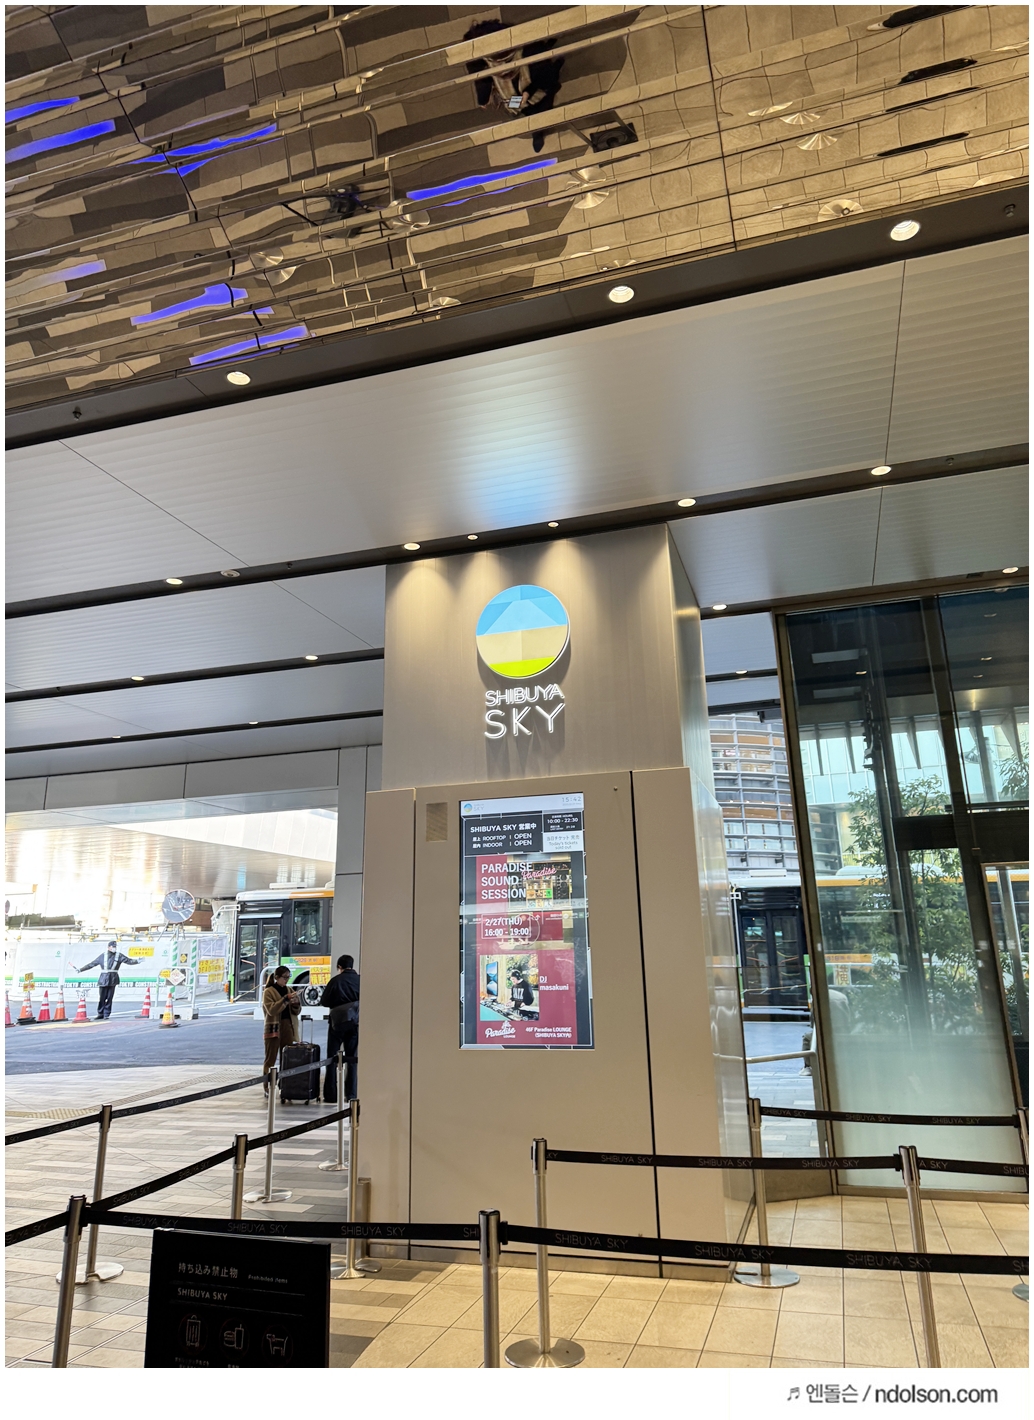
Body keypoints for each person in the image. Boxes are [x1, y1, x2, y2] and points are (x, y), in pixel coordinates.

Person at [464, 19, 564, 153]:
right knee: (526, 110)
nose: (500, 64)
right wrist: (483, 97)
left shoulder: (528, 47)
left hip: (537, 87)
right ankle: (537, 130)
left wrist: (529, 91)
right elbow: (480, 77)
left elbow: (544, 76)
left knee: (544, 103)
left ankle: (538, 131)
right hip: (513, 95)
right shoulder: (482, 57)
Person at [320, 954, 360, 1103]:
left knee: (332, 1058)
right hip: (354, 1023)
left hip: (336, 1023)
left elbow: (324, 1001)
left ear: (339, 967)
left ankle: (331, 1094)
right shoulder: (360, 980)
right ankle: (351, 1094)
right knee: (352, 1059)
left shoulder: (335, 981)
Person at [262, 965, 300, 1096]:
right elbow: (271, 1010)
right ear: (276, 977)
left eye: (288, 977)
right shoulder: (269, 991)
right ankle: (267, 1086)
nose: (286, 980)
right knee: (270, 1059)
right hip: (273, 1028)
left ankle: (284, 1085)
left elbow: (296, 1011)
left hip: (288, 1026)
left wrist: (295, 1003)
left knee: (287, 1058)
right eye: (284, 977)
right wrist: (285, 999)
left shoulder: (289, 989)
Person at [75, 940, 135, 1019]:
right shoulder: (103, 956)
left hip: (113, 979)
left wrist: (137, 961)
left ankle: (106, 1014)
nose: (114, 948)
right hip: (103, 979)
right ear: (108, 947)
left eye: (115, 947)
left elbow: (129, 961)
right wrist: (81, 969)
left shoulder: (119, 955)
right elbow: (92, 964)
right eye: (113, 946)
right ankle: (100, 1013)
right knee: (102, 998)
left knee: (109, 998)